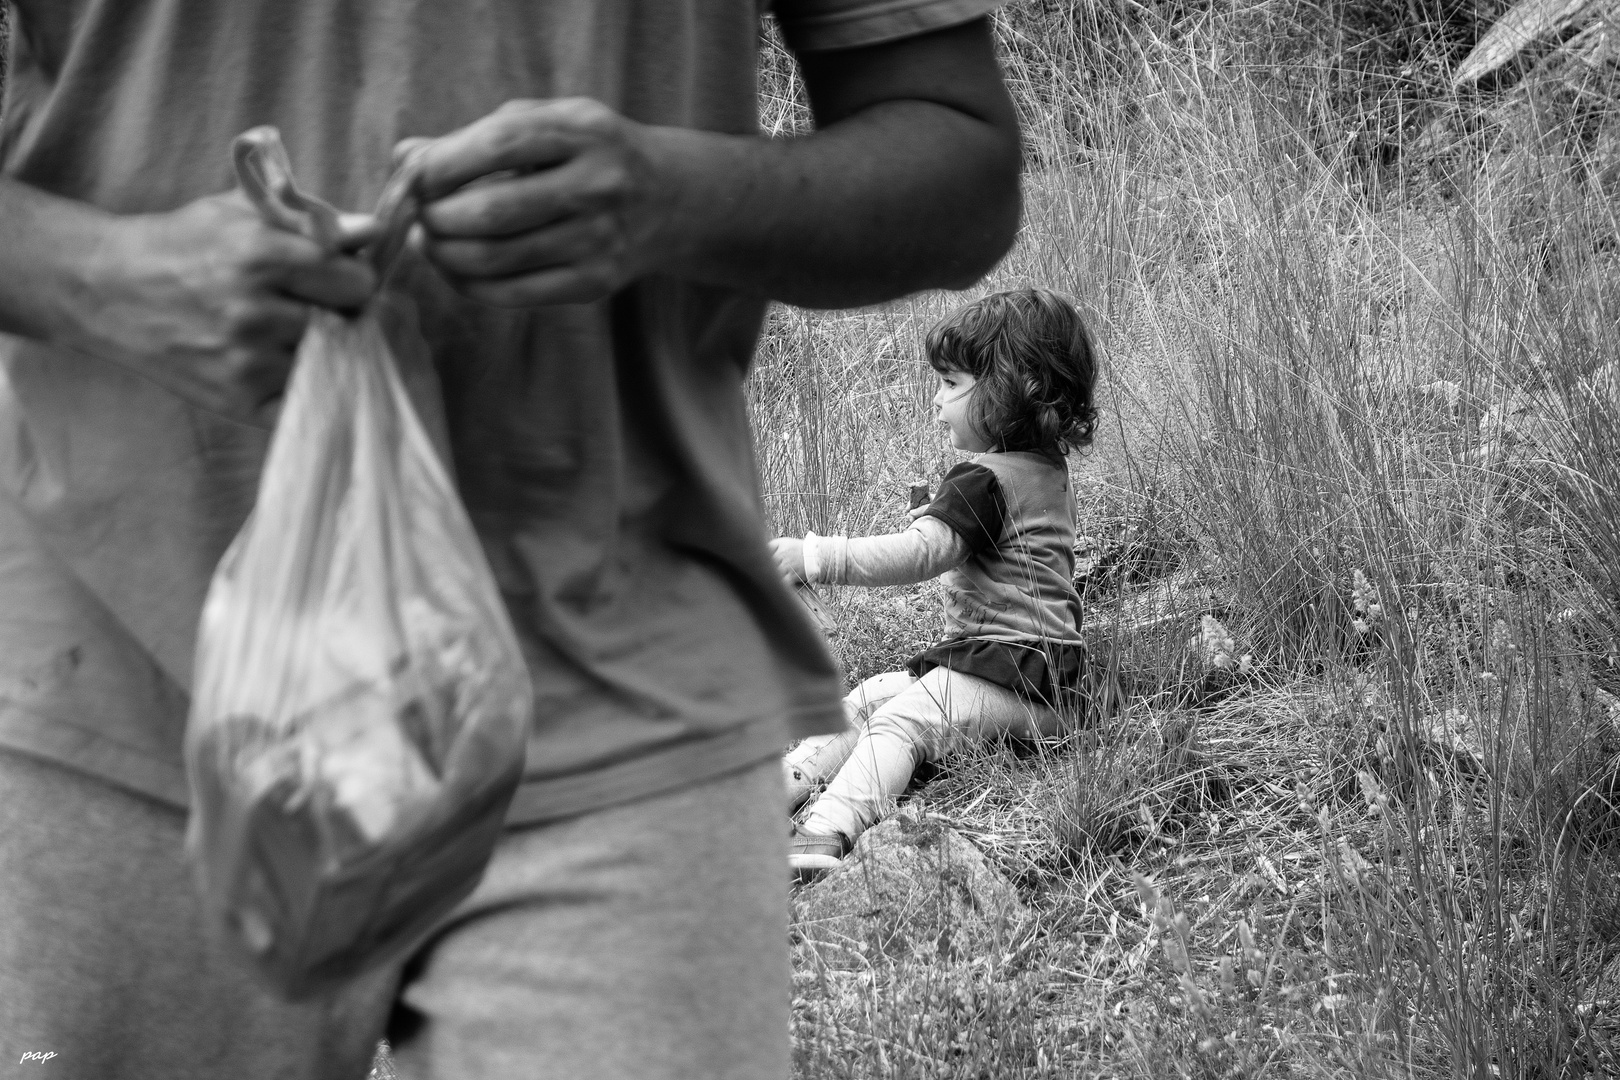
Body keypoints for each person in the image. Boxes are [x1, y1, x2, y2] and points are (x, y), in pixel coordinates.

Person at [0, 3, 1022, 1079]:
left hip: (622, 687)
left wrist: (669, 192)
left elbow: (959, 154)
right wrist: (102, 276)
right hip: (110, 680)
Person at [770, 288, 1097, 880]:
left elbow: (924, 553)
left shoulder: (986, 479)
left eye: (950, 384)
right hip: (1044, 684)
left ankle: (825, 830)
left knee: (905, 717)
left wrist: (814, 556)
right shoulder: (1046, 470)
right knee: (874, 695)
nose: (936, 401)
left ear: (1006, 390)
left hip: (1017, 678)